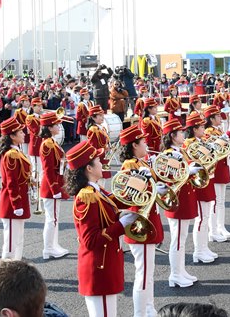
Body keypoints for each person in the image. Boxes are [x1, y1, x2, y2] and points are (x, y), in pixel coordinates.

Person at [66, 140, 138, 316]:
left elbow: (117, 200)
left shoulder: (96, 190)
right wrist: (121, 225)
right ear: (89, 168)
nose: (102, 163)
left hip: (106, 265)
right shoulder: (86, 197)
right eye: (98, 160)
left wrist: (142, 186)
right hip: (99, 268)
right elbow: (90, 240)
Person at [119, 124, 166, 316]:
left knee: (148, 273)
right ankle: (140, 313)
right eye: (143, 141)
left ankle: (149, 308)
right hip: (139, 223)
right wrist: (151, 187)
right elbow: (129, 195)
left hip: (148, 220)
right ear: (134, 145)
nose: (146, 144)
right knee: (143, 274)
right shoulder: (129, 166)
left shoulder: (141, 163)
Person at [159, 118, 204, 288]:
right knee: (177, 239)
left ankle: (181, 270)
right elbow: (170, 178)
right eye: (180, 132)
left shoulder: (180, 151)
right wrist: (187, 171)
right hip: (177, 200)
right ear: (172, 135)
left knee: (182, 239)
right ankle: (175, 274)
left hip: (185, 198)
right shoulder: (169, 154)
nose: (183, 134)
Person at [184, 112, 219, 264]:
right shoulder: (189, 144)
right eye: (201, 127)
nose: (204, 129)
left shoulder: (201, 141)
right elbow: (195, 163)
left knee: (206, 217)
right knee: (201, 219)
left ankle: (204, 247)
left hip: (208, 180)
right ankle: (198, 251)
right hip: (199, 184)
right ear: (194, 129)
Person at [0, 115, 31, 261]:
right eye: (20, 132)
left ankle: (16, 267)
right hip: (12, 203)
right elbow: (11, 181)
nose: (23, 134)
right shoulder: (11, 155)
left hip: (20, 199)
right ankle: (6, 271)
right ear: (12, 136)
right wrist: (16, 204)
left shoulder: (16, 152)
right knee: (10, 244)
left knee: (18, 240)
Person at [39, 111, 70, 260]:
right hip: (51, 186)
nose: (59, 126)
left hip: (55, 184)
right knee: (52, 219)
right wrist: (54, 188)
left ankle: (53, 245)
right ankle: (48, 248)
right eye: (56, 124)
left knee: (54, 219)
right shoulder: (47, 144)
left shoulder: (51, 142)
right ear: (49, 128)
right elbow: (48, 169)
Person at [204, 106, 230, 242]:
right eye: (217, 116)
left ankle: (220, 226)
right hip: (215, 168)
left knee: (221, 200)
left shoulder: (217, 130)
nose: (220, 118)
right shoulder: (208, 132)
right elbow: (216, 147)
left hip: (222, 166)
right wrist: (228, 133)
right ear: (211, 119)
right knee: (216, 202)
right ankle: (213, 230)